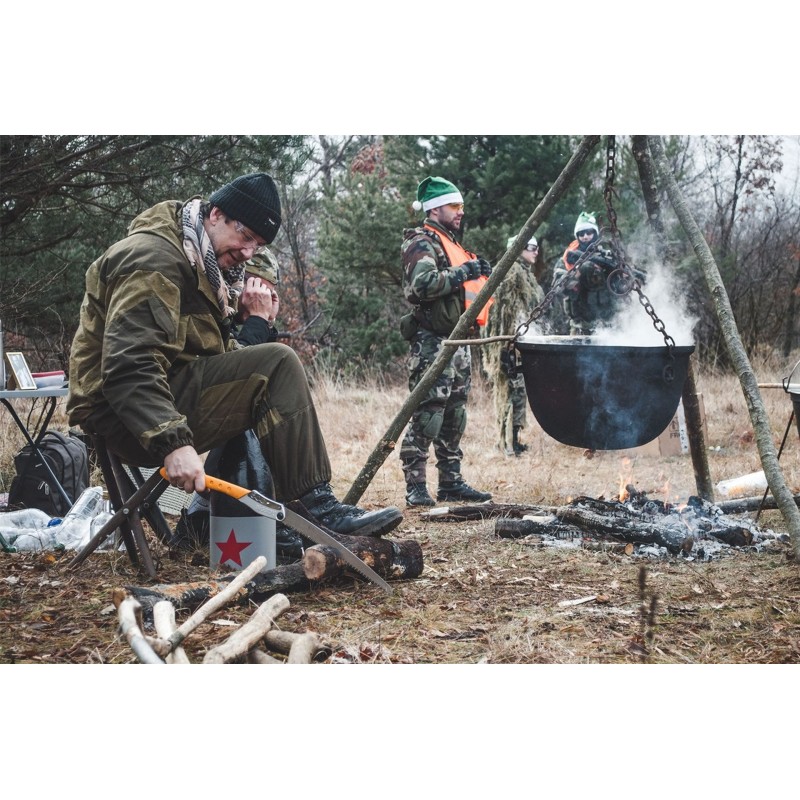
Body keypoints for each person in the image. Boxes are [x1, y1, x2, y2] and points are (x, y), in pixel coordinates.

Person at [67, 172, 402, 540]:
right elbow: (129, 366)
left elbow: (220, 362)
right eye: (246, 236)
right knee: (277, 364)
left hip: (155, 399)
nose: (248, 252)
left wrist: (253, 323)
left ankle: (286, 518)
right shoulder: (155, 259)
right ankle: (315, 510)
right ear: (216, 215)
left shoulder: (202, 265)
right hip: (121, 417)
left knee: (268, 372)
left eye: (257, 245)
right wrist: (172, 442)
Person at [399, 176, 493, 507]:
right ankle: (416, 486)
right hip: (431, 342)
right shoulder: (421, 242)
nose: (461, 211)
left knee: (455, 414)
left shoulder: (451, 245)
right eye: (455, 205)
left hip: (457, 341)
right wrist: (466, 272)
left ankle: (451, 483)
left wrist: (476, 271)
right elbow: (421, 286)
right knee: (428, 413)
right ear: (435, 209)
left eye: (462, 205)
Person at [483, 235, 544, 456]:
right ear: (518, 249)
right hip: (508, 343)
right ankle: (506, 442)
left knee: (518, 391)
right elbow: (504, 312)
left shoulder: (524, 273)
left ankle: (514, 440)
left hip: (517, 342)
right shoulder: (511, 272)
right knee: (508, 391)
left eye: (537, 247)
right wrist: (506, 345)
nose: (536, 251)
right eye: (531, 247)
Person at [556, 211, 624, 335]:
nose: (585, 236)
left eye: (589, 232)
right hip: (580, 328)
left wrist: (620, 276)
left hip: (609, 329)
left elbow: (620, 290)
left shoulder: (607, 257)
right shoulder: (567, 259)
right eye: (581, 233)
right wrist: (577, 273)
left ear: (595, 234)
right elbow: (557, 287)